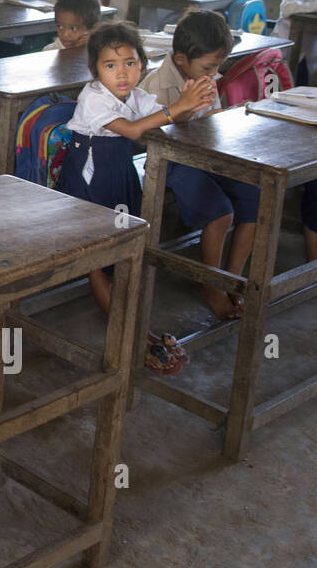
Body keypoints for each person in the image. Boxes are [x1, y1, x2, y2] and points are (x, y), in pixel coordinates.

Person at [57, 22, 216, 348]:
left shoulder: (137, 95)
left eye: (130, 63)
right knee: (101, 254)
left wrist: (190, 102)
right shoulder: (93, 97)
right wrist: (176, 108)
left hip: (120, 173)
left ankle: (130, 321)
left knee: (125, 243)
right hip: (92, 176)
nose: (122, 73)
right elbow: (132, 131)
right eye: (110, 65)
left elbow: (164, 118)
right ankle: (129, 333)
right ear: (95, 70)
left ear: (142, 65)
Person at [141, 11, 257, 319]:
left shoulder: (206, 76)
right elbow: (153, 136)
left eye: (218, 65)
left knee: (255, 197)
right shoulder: (157, 84)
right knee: (221, 213)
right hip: (168, 161)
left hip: (206, 154)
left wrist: (231, 115)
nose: (216, 73)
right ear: (181, 58)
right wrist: (183, 107)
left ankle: (231, 278)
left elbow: (209, 123)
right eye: (210, 66)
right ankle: (211, 285)